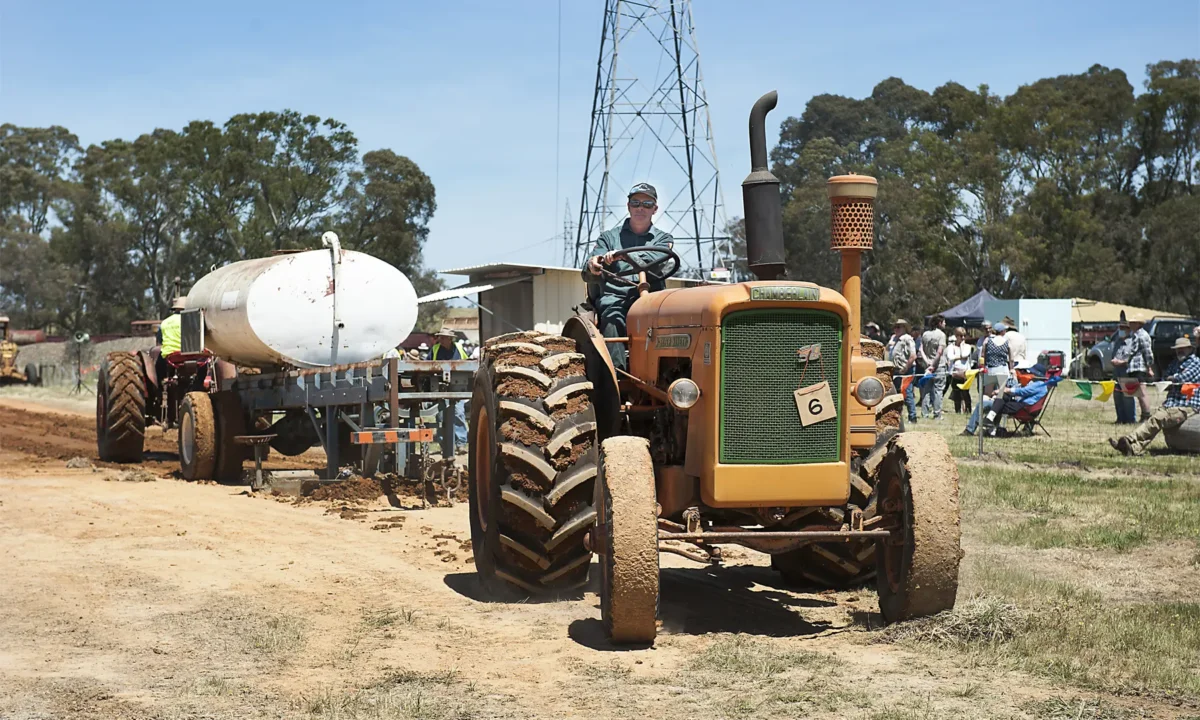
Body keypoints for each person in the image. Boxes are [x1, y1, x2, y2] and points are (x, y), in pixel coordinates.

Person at [582, 182, 675, 369]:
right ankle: (618, 377)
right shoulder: (608, 238)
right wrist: (594, 264)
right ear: (628, 206)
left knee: (678, 318)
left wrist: (624, 255)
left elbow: (654, 261)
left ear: (655, 209)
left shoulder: (664, 239)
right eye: (636, 203)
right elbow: (591, 264)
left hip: (653, 300)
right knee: (611, 314)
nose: (641, 208)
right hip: (617, 297)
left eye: (647, 204)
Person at [1109, 337, 1200, 455]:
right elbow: (1165, 378)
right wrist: (1170, 379)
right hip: (1171, 403)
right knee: (1154, 421)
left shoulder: (1196, 363)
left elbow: (1181, 379)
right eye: (1178, 349)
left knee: (1156, 420)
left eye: (1182, 349)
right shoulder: (1175, 363)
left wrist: (1172, 379)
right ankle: (1132, 449)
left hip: (1187, 405)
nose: (1180, 351)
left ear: (1189, 349)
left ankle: (1129, 439)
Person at [963, 365, 1051, 436]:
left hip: (1022, 408)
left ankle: (972, 428)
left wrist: (1007, 390)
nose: (1029, 373)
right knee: (1001, 398)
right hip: (1022, 406)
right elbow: (1022, 390)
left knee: (982, 404)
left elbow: (1023, 391)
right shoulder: (1040, 385)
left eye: (1031, 372)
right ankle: (990, 424)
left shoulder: (1039, 385)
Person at [1112, 311, 1155, 422]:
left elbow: (1147, 352)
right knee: (1136, 394)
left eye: (1132, 323)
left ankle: (1146, 416)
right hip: (1132, 368)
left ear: (1138, 324)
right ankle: (1128, 418)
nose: (1130, 325)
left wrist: (1149, 367)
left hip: (1138, 368)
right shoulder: (1136, 335)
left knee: (1141, 393)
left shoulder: (1142, 335)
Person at [431, 328, 468, 447]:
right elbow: (426, 364)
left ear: (450, 339)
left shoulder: (459, 348)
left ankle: (460, 443)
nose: (440, 339)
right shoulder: (435, 349)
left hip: (457, 385)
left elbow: (467, 362)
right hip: (440, 385)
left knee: (458, 413)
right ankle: (444, 443)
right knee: (441, 414)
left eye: (443, 337)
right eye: (439, 337)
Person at [888, 319, 918, 424]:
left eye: (899, 327)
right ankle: (897, 416)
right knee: (897, 393)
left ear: (905, 328)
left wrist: (905, 368)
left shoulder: (907, 339)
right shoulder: (896, 339)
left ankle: (913, 417)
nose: (896, 329)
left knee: (907, 393)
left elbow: (913, 356)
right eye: (895, 327)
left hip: (906, 370)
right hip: (896, 370)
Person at [919, 314, 948, 420]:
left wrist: (927, 362)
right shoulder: (941, 335)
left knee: (926, 390)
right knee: (938, 390)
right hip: (938, 366)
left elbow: (921, 349)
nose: (945, 324)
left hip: (927, 366)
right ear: (939, 323)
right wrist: (933, 365)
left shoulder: (925, 334)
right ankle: (937, 414)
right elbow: (939, 352)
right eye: (944, 322)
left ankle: (925, 414)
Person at [155, 297, 187, 382]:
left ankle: (160, 387)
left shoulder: (165, 322)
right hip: (190, 355)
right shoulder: (192, 320)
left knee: (159, 368)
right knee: (204, 366)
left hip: (170, 355)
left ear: (175, 309)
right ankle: (198, 385)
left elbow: (160, 340)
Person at [946, 326, 974, 414]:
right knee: (956, 392)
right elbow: (950, 357)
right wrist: (960, 357)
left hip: (965, 373)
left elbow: (965, 354)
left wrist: (961, 349)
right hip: (954, 373)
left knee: (965, 393)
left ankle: (968, 410)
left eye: (964, 336)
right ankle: (957, 410)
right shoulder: (950, 347)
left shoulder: (968, 346)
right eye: (960, 336)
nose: (962, 338)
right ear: (956, 336)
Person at [980, 322, 1012, 397]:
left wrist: (982, 366)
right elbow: (1011, 358)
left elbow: (982, 355)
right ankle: (998, 407)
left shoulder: (988, 340)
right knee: (1002, 393)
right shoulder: (1006, 342)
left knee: (988, 393)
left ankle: (986, 406)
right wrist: (1012, 368)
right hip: (1002, 369)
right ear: (1002, 331)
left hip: (990, 370)